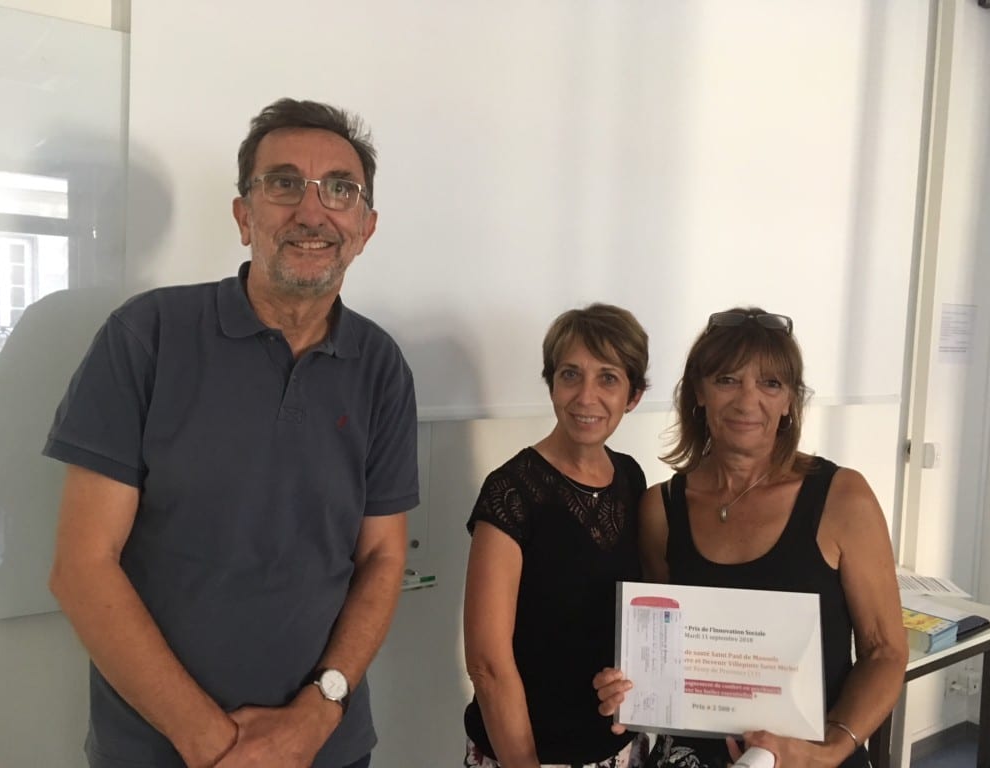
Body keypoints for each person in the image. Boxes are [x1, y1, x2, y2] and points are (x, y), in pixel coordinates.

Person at [44, 98, 418, 768]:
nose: (312, 211)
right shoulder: (146, 337)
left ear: (365, 227)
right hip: (161, 752)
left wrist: (316, 714)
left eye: (340, 190)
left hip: (324, 750)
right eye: (282, 185)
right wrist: (215, 745)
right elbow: (80, 567)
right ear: (245, 216)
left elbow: (385, 559)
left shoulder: (381, 367)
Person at [594, 308, 908, 768]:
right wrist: (628, 685)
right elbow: (663, 644)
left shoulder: (843, 498)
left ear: (790, 402)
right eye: (727, 380)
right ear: (698, 391)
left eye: (770, 384)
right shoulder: (661, 507)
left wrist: (830, 750)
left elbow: (885, 650)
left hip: (811, 759)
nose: (747, 401)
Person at [462, 304, 653, 768]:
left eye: (608, 377)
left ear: (633, 395)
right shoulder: (510, 490)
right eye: (571, 375)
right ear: (551, 384)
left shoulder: (631, 478)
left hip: (617, 750)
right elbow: (487, 665)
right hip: (526, 756)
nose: (586, 396)